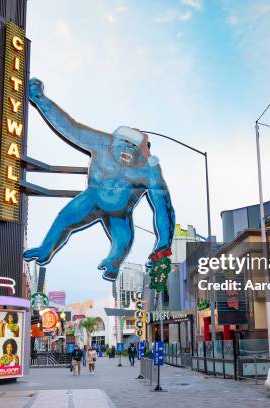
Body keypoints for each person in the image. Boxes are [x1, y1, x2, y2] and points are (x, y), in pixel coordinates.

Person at [23, 78, 175, 282]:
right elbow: (69, 127)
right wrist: (40, 99)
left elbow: (163, 208)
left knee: (122, 243)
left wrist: (163, 242)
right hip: (90, 199)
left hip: (119, 214)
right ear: (115, 141)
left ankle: (112, 263)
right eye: (124, 144)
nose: (126, 151)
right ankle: (46, 248)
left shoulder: (148, 170)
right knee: (63, 220)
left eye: (132, 147)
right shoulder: (102, 142)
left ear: (139, 150)